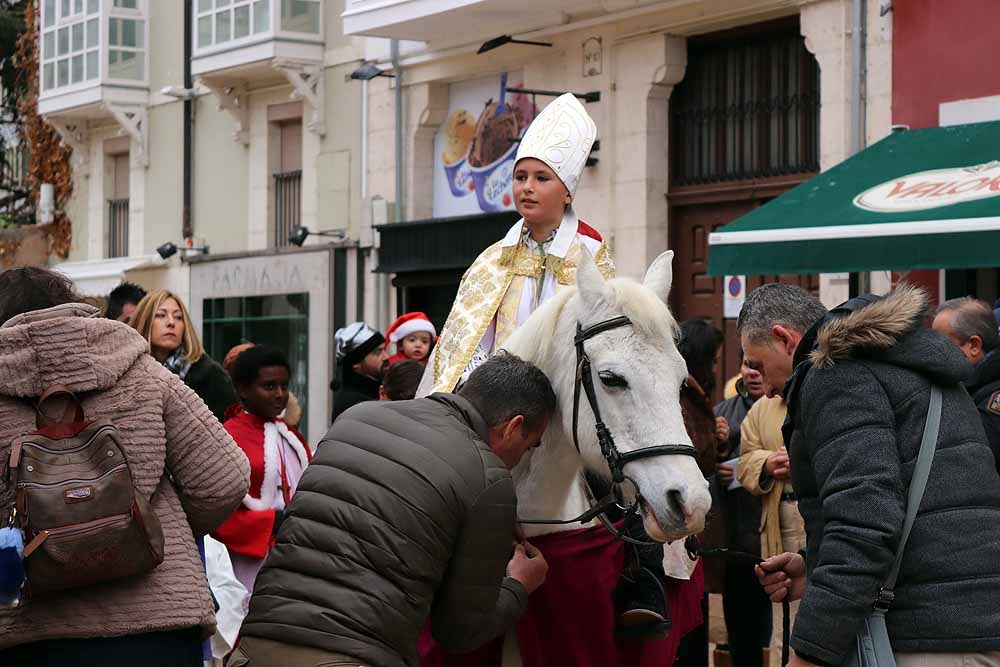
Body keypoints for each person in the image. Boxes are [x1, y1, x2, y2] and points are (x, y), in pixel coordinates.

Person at [231, 352, 555, 667]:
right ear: (513, 427)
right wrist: (518, 584)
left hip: (256, 646)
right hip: (351, 655)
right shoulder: (488, 477)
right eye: (530, 446)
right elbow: (460, 632)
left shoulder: (358, 417)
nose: (522, 459)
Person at [740, 283, 1000, 667]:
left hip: (921, 637)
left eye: (758, 364)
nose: (767, 391)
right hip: (970, 624)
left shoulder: (834, 373)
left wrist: (810, 652)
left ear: (783, 337)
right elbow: (915, 500)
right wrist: (814, 565)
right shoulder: (903, 363)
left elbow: (864, 525)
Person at [0, 267, 250, 666]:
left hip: (34, 636)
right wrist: (140, 528)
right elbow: (224, 480)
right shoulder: (141, 370)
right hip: (159, 625)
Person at [422, 92, 614, 396]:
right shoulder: (494, 259)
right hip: (502, 399)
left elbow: (606, 337)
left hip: (568, 396)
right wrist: (490, 384)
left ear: (567, 193)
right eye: (520, 177)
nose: (527, 188)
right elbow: (467, 340)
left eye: (541, 178)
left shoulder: (590, 254)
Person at [213, 345, 311, 593]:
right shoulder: (228, 437)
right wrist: (269, 522)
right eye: (269, 387)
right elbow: (215, 508)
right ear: (244, 390)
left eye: (284, 386)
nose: (280, 394)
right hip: (249, 560)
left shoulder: (291, 436)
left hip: (294, 552)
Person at [673, 319, 728, 667]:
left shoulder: (691, 391)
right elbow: (693, 455)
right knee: (688, 618)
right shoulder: (682, 394)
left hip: (690, 528)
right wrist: (713, 438)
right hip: (681, 524)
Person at [714, 356, 772, 667]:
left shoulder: (788, 407)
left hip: (779, 534)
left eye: (759, 366)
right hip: (738, 540)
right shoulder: (722, 413)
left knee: (777, 625)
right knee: (742, 629)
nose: (754, 373)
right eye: (748, 365)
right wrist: (720, 453)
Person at [130, 290, 237, 423]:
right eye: (161, 315)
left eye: (178, 317)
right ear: (144, 321)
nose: (171, 322)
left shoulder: (211, 376)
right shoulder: (128, 372)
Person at [932, 297, 1000, 467]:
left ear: (974, 345)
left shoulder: (992, 398)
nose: (932, 352)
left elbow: (978, 459)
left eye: (941, 343)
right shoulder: (970, 384)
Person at [331, 321, 388, 422]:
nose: (386, 357)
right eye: (378, 352)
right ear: (356, 362)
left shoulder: (379, 392)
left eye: (384, 350)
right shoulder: (351, 405)